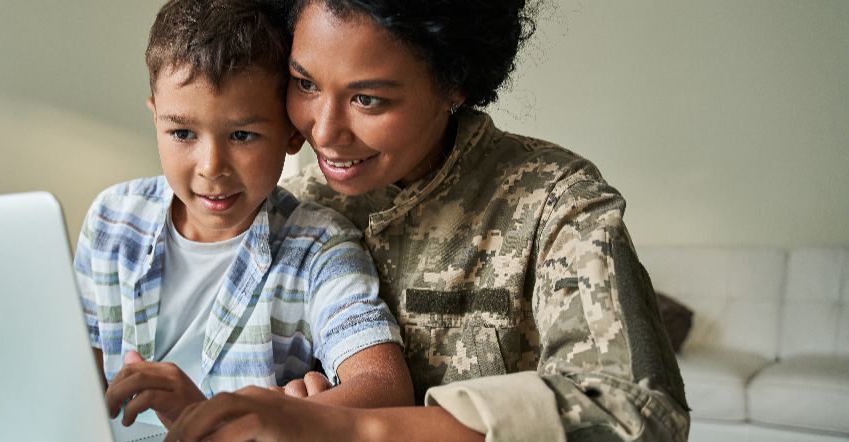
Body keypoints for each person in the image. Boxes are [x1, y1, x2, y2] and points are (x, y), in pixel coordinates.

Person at [164, 0, 690, 440]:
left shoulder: (554, 202)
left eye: (368, 99)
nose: (324, 132)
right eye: (305, 84)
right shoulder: (289, 211)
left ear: (454, 83)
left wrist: (360, 428)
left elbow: (637, 415)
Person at [72, 0, 413, 429]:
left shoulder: (318, 248)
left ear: (291, 134)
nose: (212, 166)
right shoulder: (111, 221)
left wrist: (231, 419)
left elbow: (386, 388)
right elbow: (77, 373)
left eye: (242, 135)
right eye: (182, 133)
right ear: (155, 117)